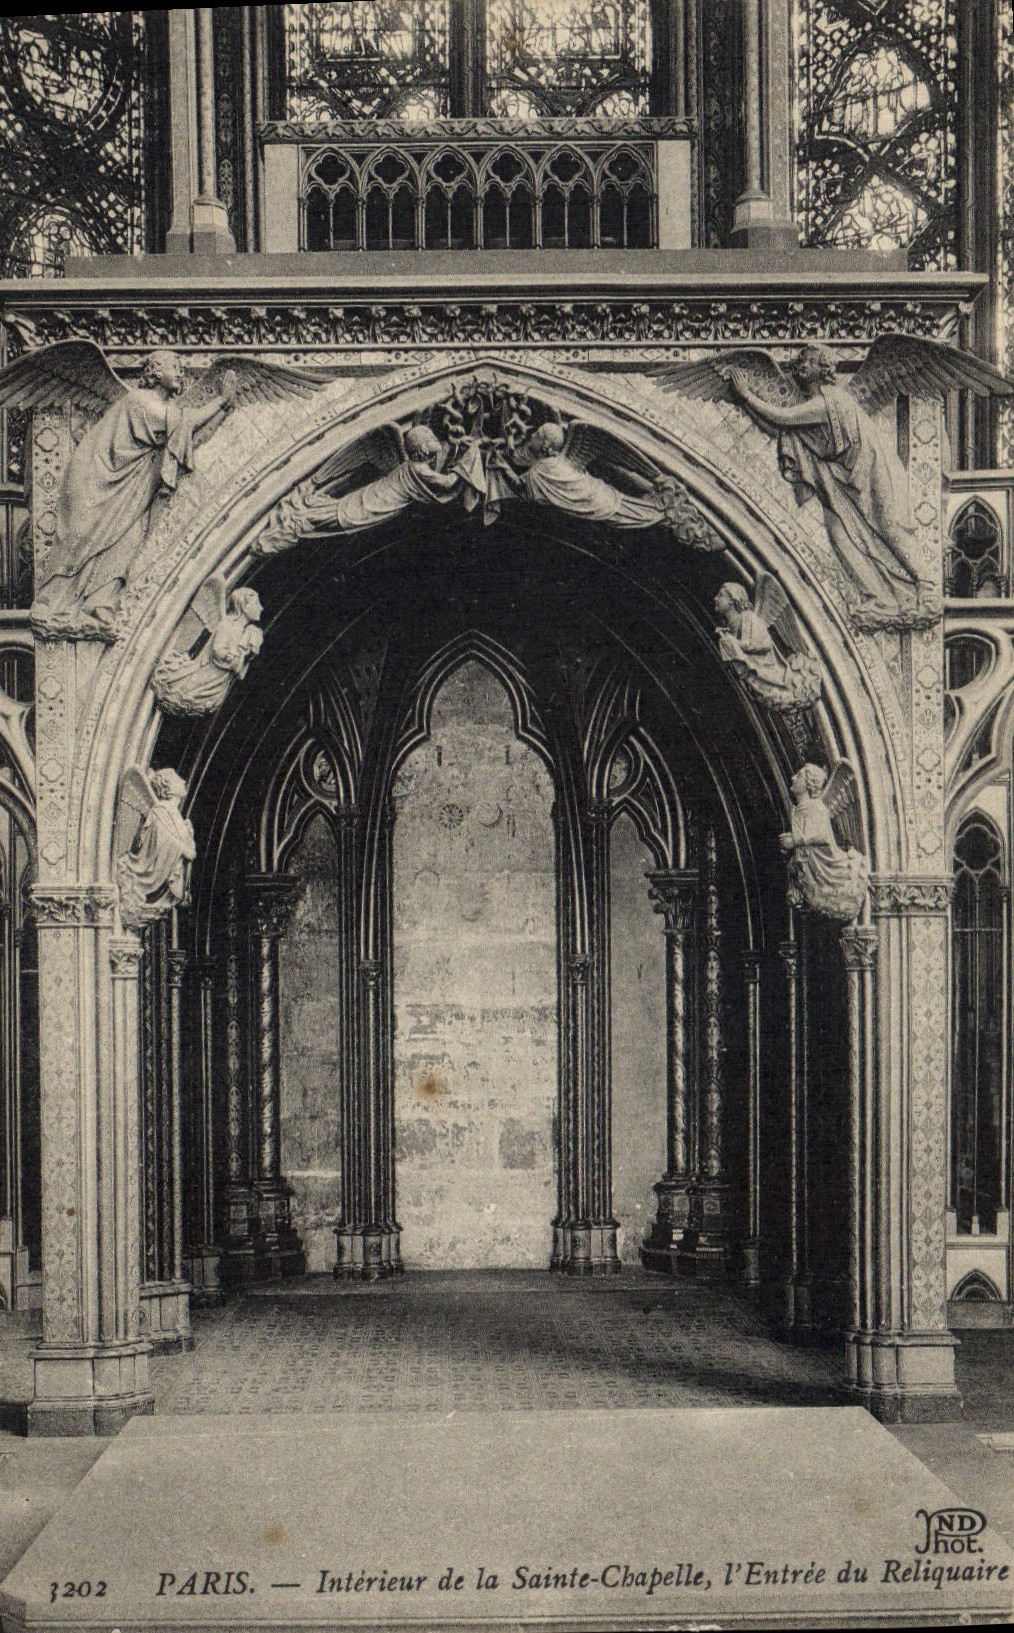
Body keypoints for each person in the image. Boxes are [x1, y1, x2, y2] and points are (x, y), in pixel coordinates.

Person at [35, 350, 235, 636]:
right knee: (86, 542)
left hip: (130, 491)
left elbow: (189, 433)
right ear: (154, 372)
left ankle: (100, 604)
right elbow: (183, 422)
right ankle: (56, 602)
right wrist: (222, 400)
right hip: (101, 486)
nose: (181, 373)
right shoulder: (139, 401)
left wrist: (224, 408)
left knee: (126, 543)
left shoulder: (163, 407)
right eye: (174, 367)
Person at [728, 347, 929, 622]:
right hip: (839, 478)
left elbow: (782, 418)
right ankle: (879, 598)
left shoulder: (830, 400)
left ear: (823, 368)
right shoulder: (809, 402)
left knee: (890, 525)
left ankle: (926, 589)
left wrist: (745, 395)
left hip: (871, 469)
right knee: (838, 535)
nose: (800, 363)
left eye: (808, 360)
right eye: (799, 360)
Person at [780, 764, 869, 921]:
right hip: (812, 870)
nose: (793, 778)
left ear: (809, 783)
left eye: (799, 775)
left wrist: (795, 841)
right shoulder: (798, 809)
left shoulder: (817, 807)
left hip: (829, 867)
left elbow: (822, 836)